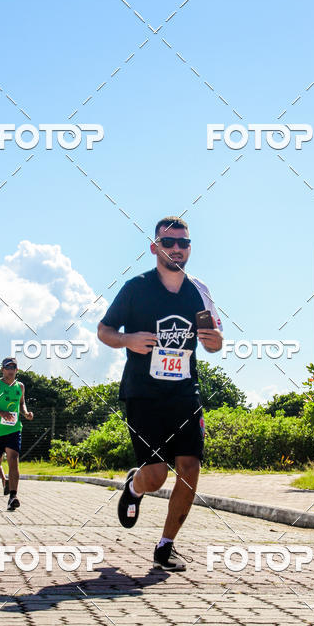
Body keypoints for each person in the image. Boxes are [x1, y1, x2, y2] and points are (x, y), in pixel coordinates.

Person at [97, 216, 223, 571]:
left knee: (190, 467)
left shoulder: (199, 290)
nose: (177, 249)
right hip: (143, 394)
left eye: (184, 243)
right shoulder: (136, 288)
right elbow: (104, 330)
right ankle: (134, 487)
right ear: (155, 248)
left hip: (185, 393)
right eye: (169, 243)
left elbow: (214, 340)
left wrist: (215, 341)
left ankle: (166, 546)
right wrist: (127, 339)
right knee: (156, 476)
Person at [0, 358, 33, 511]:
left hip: (14, 429)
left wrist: (25, 413)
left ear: (17, 370)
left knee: (13, 459)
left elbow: (21, 403)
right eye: (8, 367)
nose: (11, 370)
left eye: (13, 367)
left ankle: (13, 496)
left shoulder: (20, 386)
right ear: (2, 370)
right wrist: (1, 413)